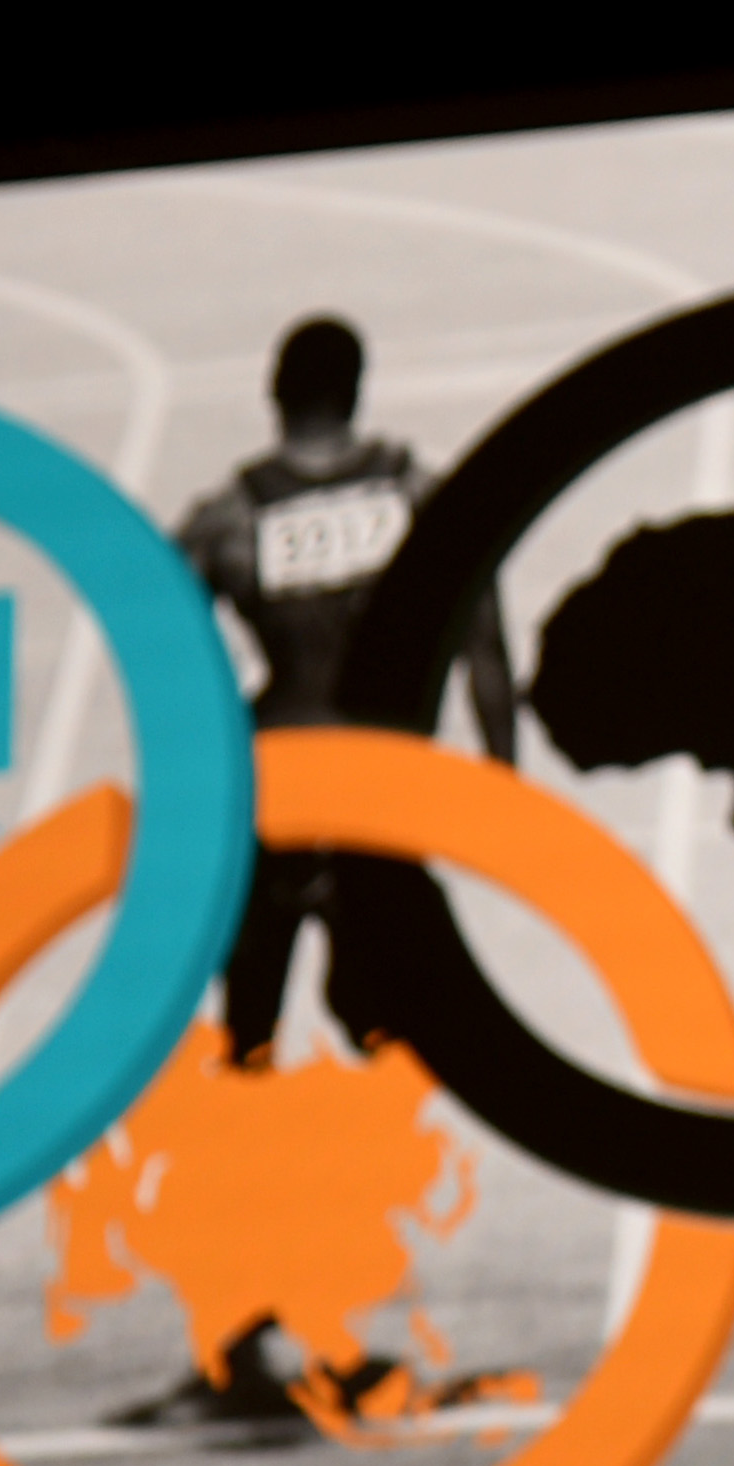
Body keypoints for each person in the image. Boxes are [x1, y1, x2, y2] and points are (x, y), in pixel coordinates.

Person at [172, 313, 517, 1065]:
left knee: (250, 1024)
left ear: (274, 393)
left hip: (277, 785)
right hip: (382, 785)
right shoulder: (421, 496)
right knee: (387, 1022)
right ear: (357, 392)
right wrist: (505, 782)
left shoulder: (227, 521)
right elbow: (485, 647)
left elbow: (169, 661)